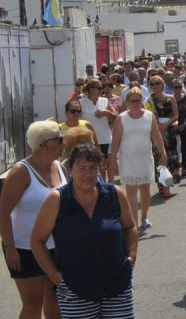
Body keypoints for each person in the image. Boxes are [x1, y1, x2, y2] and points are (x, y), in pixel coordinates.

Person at [30, 144, 137, 318]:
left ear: (99, 169)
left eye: (92, 167)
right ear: (70, 170)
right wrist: (55, 275)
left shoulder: (115, 194)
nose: (87, 174)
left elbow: (130, 227)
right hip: (76, 288)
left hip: (117, 284)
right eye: (81, 168)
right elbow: (37, 240)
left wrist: (131, 257)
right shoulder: (57, 199)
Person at [0, 121, 67, 319]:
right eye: (60, 139)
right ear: (44, 144)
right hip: (24, 248)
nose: (64, 143)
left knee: (55, 298)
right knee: (32, 303)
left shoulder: (59, 167)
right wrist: (10, 247)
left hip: (56, 246)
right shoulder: (21, 171)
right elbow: (3, 211)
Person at [109, 87, 168, 230]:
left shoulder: (149, 116)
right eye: (133, 101)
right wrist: (112, 161)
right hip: (127, 158)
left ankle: (144, 217)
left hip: (145, 158)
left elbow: (156, 136)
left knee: (145, 189)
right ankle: (133, 223)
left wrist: (163, 153)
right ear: (127, 102)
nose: (136, 103)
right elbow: (115, 141)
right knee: (131, 190)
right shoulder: (121, 118)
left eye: (139, 100)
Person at [144, 75, 179, 196]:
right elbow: (148, 116)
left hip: (169, 131)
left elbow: (175, 115)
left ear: (162, 84)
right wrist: (157, 126)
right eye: (152, 84)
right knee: (160, 158)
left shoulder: (170, 98)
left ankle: (166, 185)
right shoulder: (148, 100)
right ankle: (163, 186)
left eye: (157, 83)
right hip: (156, 132)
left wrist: (167, 124)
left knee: (170, 158)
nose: (154, 86)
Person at [79, 78, 117, 181]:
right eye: (99, 87)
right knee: (97, 165)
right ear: (90, 89)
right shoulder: (81, 102)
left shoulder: (104, 100)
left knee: (108, 164)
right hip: (89, 140)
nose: (101, 90)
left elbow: (116, 117)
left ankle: (111, 186)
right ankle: (99, 186)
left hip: (106, 137)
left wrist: (106, 113)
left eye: (101, 88)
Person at [173, 78, 186, 180]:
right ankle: (174, 168)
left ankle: (184, 167)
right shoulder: (170, 99)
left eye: (179, 87)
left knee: (185, 148)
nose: (178, 89)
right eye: (175, 87)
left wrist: (184, 124)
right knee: (174, 148)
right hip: (173, 126)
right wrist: (175, 124)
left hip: (185, 125)